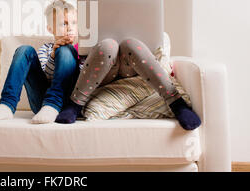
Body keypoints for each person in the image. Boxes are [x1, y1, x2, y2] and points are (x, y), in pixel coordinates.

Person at [55, 37, 202, 130]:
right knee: (108, 45)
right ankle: (74, 105)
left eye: (73, 23)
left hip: (129, 65)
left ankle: (176, 102)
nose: (69, 28)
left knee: (130, 43)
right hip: (101, 73)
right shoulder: (72, 49)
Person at [0, 0, 81, 124]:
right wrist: (53, 55)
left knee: (66, 50)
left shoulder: (82, 49)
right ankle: (7, 105)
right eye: (64, 24)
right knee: (24, 50)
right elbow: (46, 76)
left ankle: (54, 105)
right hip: (43, 104)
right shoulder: (45, 50)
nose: (70, 28)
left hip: (69, 104)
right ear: (50, 29)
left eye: (74, 23)